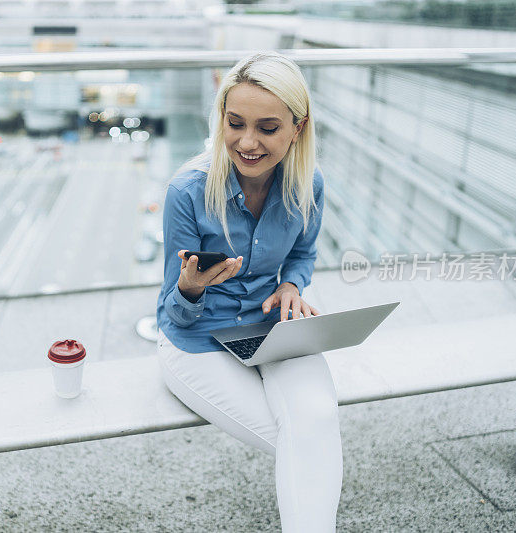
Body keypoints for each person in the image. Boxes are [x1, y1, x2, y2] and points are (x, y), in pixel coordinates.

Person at [156, 51, 342, 532]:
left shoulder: (308, 183)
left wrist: (290, 285)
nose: (247, 142)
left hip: (270, 326)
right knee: (303, 441)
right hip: (196, 341)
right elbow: (173, 315)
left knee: (317, 417)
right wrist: (190, 289)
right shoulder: (186, 191)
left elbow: (302, 253)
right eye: (234, 123)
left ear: (297, 129)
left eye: (267, 127)